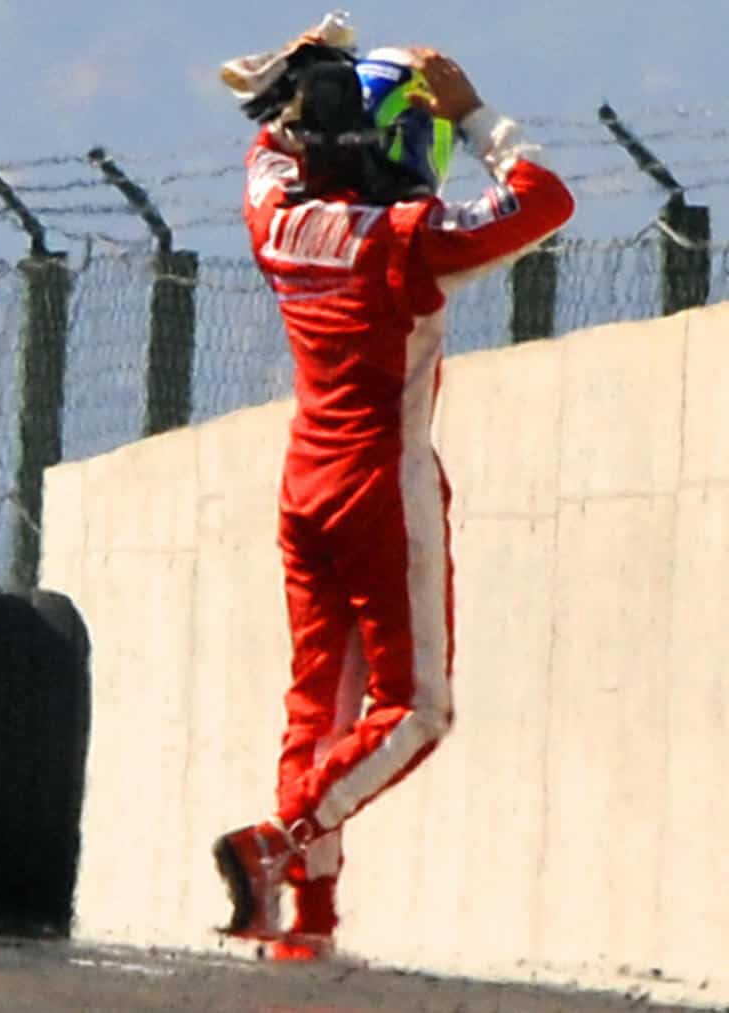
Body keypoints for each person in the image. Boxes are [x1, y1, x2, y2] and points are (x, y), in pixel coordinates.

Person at [211, 24, 576, 961]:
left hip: (304, 486)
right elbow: (545, 202)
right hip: (384, 481)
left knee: (317, 710)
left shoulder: (277, 223)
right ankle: (276, 843)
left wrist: (299, 69)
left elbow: (264, 148)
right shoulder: (409, 239)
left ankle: (309, 925)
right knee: (416, 710)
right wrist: (478, 116)